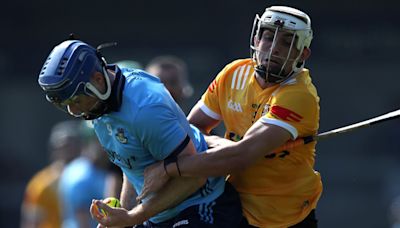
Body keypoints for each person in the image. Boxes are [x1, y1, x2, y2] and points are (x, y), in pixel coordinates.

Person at [139, 5, 322, 228]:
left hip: (286, 217)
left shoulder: (299, 96)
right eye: (268, 37)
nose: (274, 48)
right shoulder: (233, 73)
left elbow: (240, 158)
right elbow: (189, 131)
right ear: (256, 38)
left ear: (303, 53)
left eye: (287, 42)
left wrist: (168, 169)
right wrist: (224, 144)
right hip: (232, 207)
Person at [37, 39, 243, 227]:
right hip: (159, 213)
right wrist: (123, 218)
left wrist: (134, 217)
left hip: (202, 205)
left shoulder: (145, 109)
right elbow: (131, 167)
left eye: (76, 101)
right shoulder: (99, 105)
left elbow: (194, 177)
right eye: (67, 105)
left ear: (98, 80)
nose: (73, 112)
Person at [58, 120, 122, 228]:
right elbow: (83, 220)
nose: (108, 145)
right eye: (101, 140)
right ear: (89, 142)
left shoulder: (104, 170)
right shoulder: (80, 176)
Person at [20, 120, 82, 228]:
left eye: (73, 145)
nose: (69, 151)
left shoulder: (90, 177)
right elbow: (31, 221)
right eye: (64, 146)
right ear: (54, 149)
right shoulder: (41, 183)